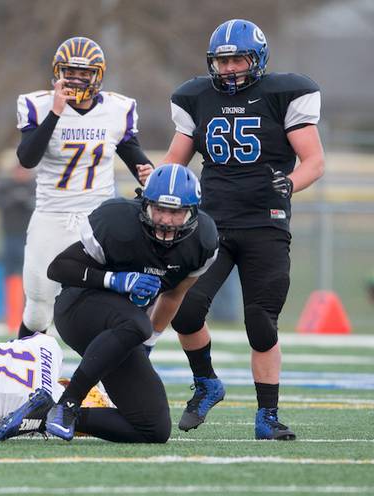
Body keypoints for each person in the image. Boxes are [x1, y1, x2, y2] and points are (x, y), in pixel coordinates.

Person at [144, 19, 324, 440]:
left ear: (257, 58)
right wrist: (155, 188)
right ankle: (207, 382)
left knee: (261, 324)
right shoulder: (197, 97)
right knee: (185, 310)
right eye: (222, 61)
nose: (229, 69)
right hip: (211, 223)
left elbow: (314, 160)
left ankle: (267, 416)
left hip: (266, 223)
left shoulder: (284, 93)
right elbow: (175, 159)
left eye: (237, 59)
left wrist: (290, 183)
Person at [0, 164, 218, 443]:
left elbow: (173, 295)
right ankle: (68, 403)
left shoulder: (203, 241)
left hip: (123, 330)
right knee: (136, 323)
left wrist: (148, 344)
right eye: (160, 209)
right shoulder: (117, 222)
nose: (166, 220)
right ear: (144, 205)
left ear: (192, 213)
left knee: (152, 428)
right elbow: (59, 268)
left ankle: (42, 415)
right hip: (79, 308)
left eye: (175, 212)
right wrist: (116, 280)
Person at [15, 36, 153, 339]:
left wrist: (148, 174)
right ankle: (25, 376)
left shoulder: (118, 109)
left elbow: (136, 160)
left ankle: (100, 380)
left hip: (97, 217)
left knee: (104, 303)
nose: (76, 79)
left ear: (98, 75)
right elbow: (27, 158)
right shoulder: (38, 105)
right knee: (38, 309)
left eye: (85, 73)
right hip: (52, 214)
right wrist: (56, 111)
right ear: (57, 72)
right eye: (70, 72)